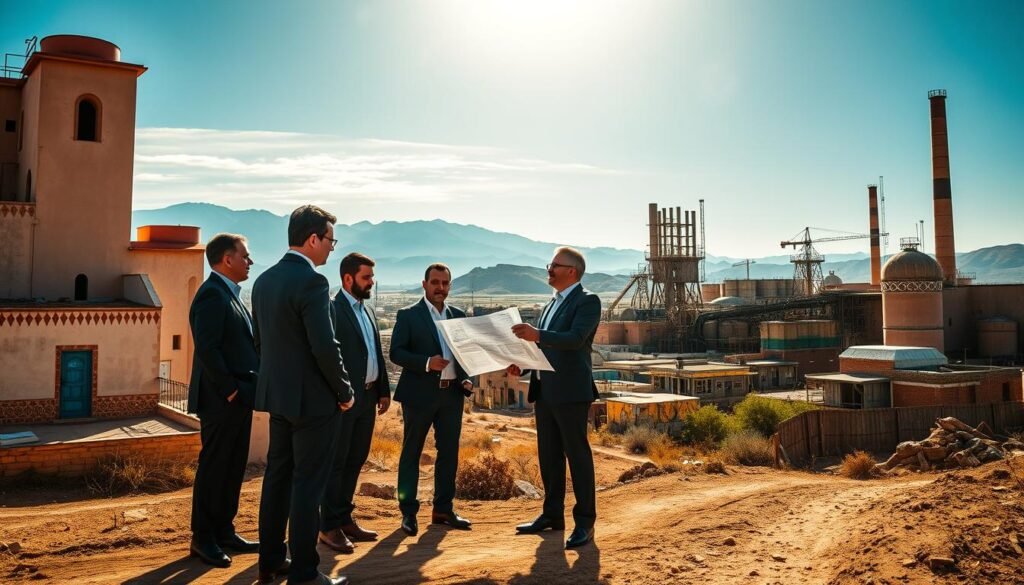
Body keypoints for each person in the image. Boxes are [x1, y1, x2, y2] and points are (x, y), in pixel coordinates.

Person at [253, 205, 355, 585]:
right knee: (307, 486)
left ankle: (269, 563)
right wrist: (344, 391)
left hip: (278, 399)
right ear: (313, 239)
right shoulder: (313, 283)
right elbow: (325, 348)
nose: (331, 248)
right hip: (313, 403)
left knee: (277, 480)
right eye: (330, 240)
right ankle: (305, 573)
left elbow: (261, 343)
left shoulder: (263, 281)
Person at [509, 246, 601, 549]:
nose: (549, 270)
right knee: (549, 456)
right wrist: (521, 363)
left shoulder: (587, 301)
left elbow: (575, 340)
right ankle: (552, 516)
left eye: (554, 265)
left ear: (571, 271)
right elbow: (542, 346)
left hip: (571, 391)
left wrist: (537, 335)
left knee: (577, 456)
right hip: (545, 390)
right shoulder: (552, 303)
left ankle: (585, 522)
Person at [187, 233, 259, 568]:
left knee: (233, 468)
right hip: (220, 400)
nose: (250, 261)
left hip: (237, 399)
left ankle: (224, 532)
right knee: (215, 468)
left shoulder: (230, 294)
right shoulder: (212, 296)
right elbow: (207, 347)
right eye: (245, 256)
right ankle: (203, 539)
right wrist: (231, 389)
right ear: (226, 259)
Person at [389, 263, 474, 537]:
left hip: (451, 395)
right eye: (435, 282)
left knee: (449, 453)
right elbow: (396, 353)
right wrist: (427, 363)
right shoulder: (408, 315)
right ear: (424, 284)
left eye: (445, 283)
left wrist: (465, 377)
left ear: (450, 286)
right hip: (418, 395)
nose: (440, 288)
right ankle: (408, 513)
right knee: (411, 452)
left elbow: (463, 355)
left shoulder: (458, 316)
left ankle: (443, 509)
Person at [319, 253, 391, 553]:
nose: (371, 282)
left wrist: (384, 389)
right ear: (348, 279)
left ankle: (345, 519)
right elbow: (328, 357)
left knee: (355, 459)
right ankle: (328, 527)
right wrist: (341, 394)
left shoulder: (368, 311)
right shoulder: (332, 310)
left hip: (369, 396)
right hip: (345, 401)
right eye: (366, 277)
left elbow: (374, 351)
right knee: (337, 463)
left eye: (372, 277)